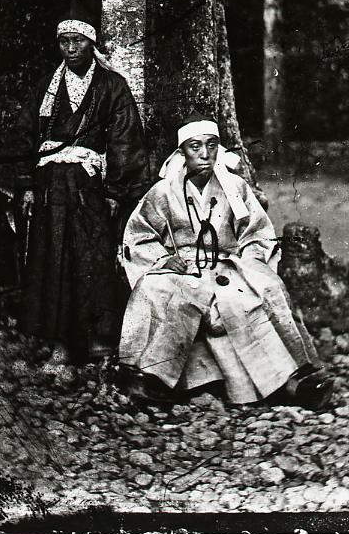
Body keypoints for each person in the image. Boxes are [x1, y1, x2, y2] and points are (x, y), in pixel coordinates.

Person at [117, 115, 334, 407]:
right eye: (195, 146)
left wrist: (251, 261)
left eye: (211, 145)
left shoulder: (235, 187)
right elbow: (139, 236)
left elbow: (257, 233)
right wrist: (164, 259)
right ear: (182, 151)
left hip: (227, 265)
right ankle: (151, 379)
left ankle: (293, 382)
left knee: (255, 294)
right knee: (164, 293)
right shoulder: (163, 191)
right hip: (181, 269)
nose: (204, 154)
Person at [13, 12, 150, 368]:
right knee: (51, 257)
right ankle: (56, 341)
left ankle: (97, 340)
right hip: (50, 187)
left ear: (91, 44)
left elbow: (124, 138)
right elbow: (26, 134)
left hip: (90, 187)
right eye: (64, 41)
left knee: (93, 258)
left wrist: (115, 191)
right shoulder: (47, 87)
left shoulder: (112, 86)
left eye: (78, 41)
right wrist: (26, 185)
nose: (71, 48)